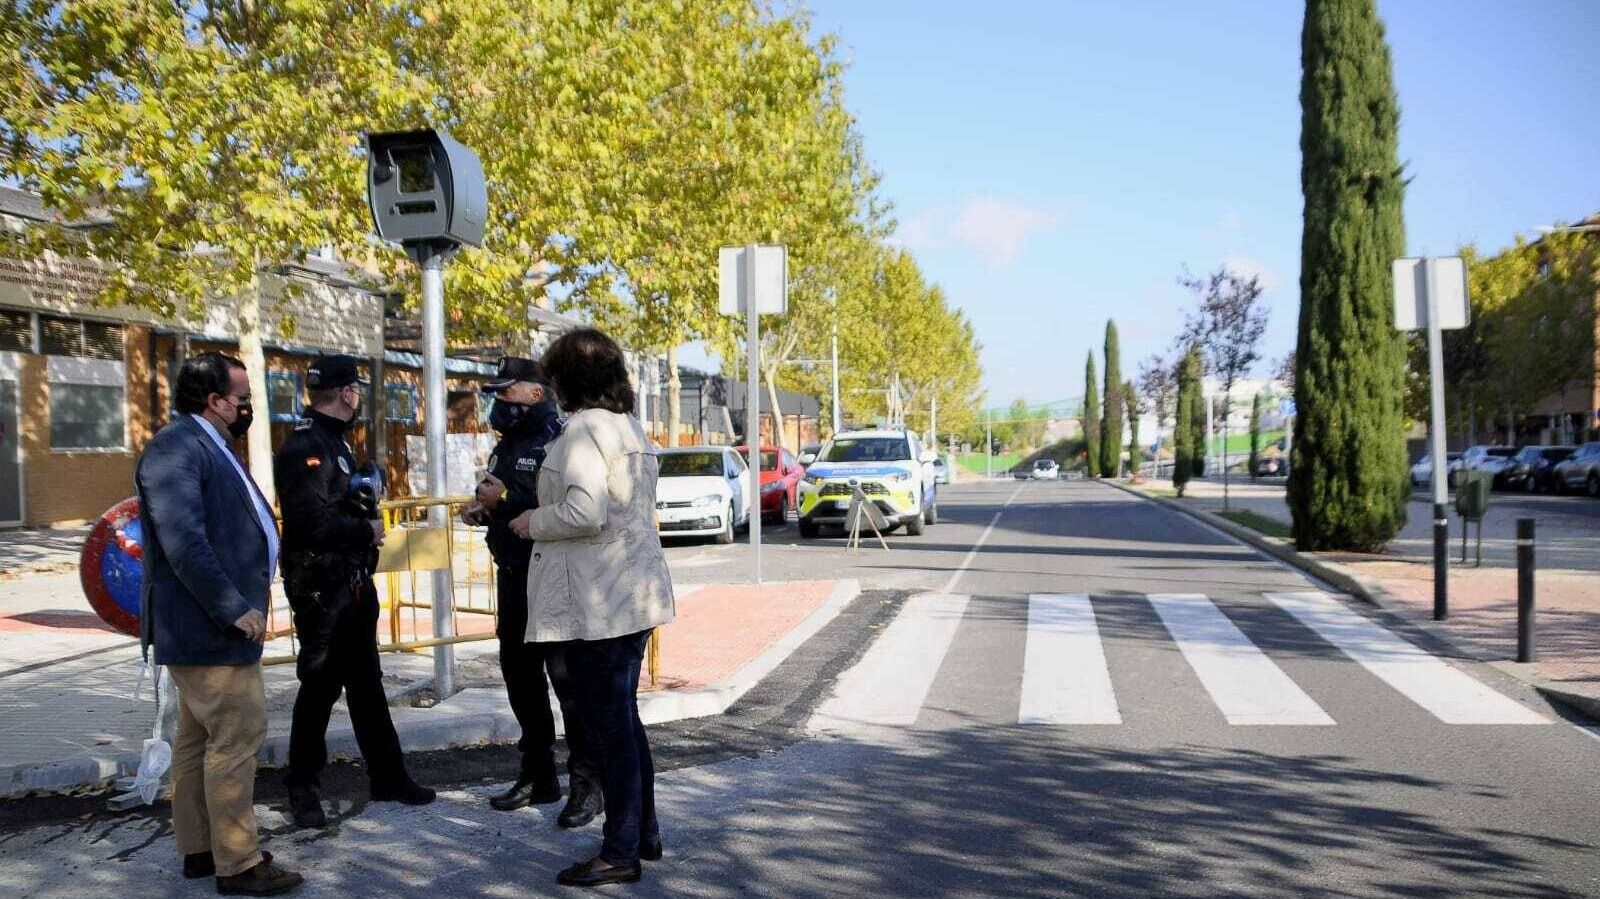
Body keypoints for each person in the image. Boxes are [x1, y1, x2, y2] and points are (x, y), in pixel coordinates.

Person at [510, 328, 675, 888]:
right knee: (624, 724)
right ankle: (642, 833)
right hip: (631, 595)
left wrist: (532, 522)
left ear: (564, 380)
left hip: (599, 601)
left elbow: (583, 512)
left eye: (552, 376)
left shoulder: (583, 430)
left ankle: (620, 851)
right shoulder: (627, 426)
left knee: (611, 730)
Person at [136, 352, 303, 895]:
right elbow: (185, 545)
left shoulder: (206, 444)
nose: (247, 407)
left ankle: (200, 850)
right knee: (236, 737)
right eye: (241, 398)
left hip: (208, 628)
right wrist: (235, 608)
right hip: (210, 628)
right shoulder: (175, 449)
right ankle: (239, 862)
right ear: (214, 401)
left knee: (195, 740)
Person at [275, 354, 434, 828]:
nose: (358, 397)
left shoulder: (337, 443)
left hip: (353, 585)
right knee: (320, 687)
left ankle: (389, 777)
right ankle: (302, 787)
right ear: (346, 394)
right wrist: (367, 530)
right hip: (322, 590)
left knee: (366, 685)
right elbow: (311, 522)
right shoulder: (306, 446)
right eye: (356, 390)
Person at [461, 356, 603, 825]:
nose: (497, 401)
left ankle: (587, 783)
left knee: (568, 684)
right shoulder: (509, 442)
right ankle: (538, 773)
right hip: (512, 575)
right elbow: (508, 498)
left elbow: (564, 506)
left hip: (550, 580)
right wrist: (485, 509)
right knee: (520, 680)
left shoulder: (558, 439)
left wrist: (505, 501)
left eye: (506, 392)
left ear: (535, 392)